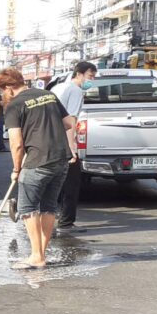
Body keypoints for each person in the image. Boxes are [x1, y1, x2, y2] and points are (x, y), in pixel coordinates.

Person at [0, 68, 76, 270]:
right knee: (49, 207)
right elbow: (69, 123)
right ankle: (41, 253)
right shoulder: (48, 95)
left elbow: (16, 143)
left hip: (38, 161)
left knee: (27, 208)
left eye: (3, 91)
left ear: (9, 87)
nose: (3, 95)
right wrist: (47, 129)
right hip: (61, 159)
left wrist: (16, 169)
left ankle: (36, 256)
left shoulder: (14, 105)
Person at [51, 61, 97, 232]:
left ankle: (45, 217)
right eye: (90, 76)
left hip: (51, 141)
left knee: (55, 182)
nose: (92, 80)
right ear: (79, 74)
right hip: (64, 142)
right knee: (71, 183)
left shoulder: (60, 87)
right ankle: (66, 222)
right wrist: (72, 148)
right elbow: (70, 121)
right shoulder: (75, 90)